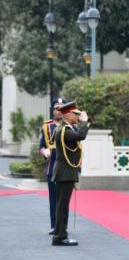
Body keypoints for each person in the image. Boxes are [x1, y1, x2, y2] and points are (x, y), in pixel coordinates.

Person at [51, 101, 89, 246]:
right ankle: (60, 236)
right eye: (76, 113)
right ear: (68, 114)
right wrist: (85, 122)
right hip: (65, 172)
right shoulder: (64, 130)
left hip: (65, 171)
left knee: (63, 205)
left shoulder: (65, 128)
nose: (78, 116)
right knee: (62, 206)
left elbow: (77, 136)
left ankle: (61, 234)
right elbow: (80, 136)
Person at [39, 98, 65, 235]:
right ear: (53, 110)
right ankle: (54, 225)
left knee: (64, 198)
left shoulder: (70, 125)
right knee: (54, 197)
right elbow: (41, 145)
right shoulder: (47, 126)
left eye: (61, 107)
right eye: (56, 108)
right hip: (52, 164)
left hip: (66, 166)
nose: (59, 110)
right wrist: (44, 151)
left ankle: (62, 226)